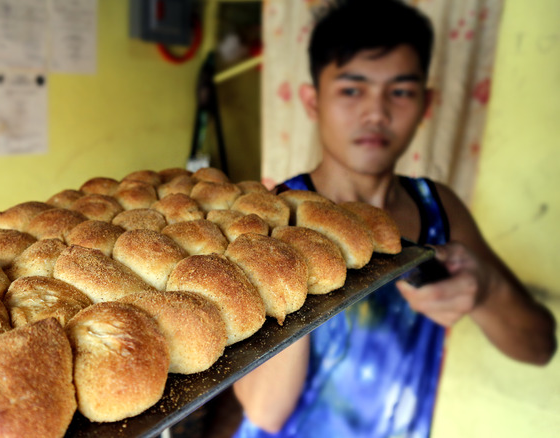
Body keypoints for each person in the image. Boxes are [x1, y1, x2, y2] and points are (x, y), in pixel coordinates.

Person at [232, 1, 557, 437]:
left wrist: (486, 289)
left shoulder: (438, 209)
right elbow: (265, 412)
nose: (376, 113)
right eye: (352, 89)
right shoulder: (273, 220)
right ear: (313, 101)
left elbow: (540, 347)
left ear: (427, 103)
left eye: (400, 91)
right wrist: (297, 275)